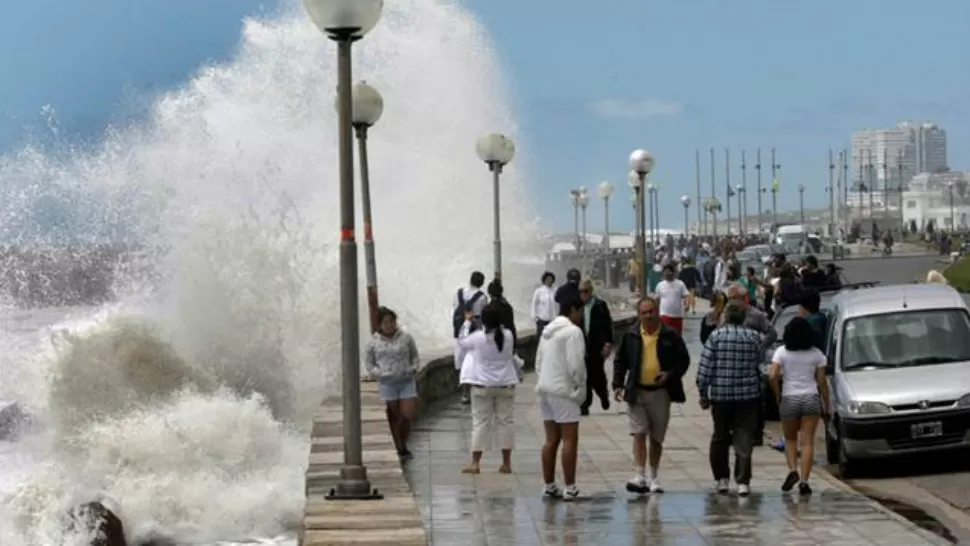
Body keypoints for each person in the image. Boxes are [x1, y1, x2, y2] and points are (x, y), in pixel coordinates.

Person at [612, 296, 691, 494]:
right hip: (636, 391)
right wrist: (617, 384)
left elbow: (684, 360)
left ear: (657, 312)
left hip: (661, 393)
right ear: (639, 314)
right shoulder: (631, 334)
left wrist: (670, 374)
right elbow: (620, 360)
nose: (648, 316)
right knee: (639, 433)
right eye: (644, 312)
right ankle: (640, 475)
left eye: (651, 311)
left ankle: (654, 475)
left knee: (656, 438)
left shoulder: (670, 335)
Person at [696, 302, 763, 497]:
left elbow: (705, 367)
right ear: (743, 318)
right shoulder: (754, 337)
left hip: (721, 396)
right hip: (747, 396)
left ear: (725, 317)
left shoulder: (716, 337)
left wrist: (703, 393)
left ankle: (721, 479)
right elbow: (759, 364)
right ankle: (743, 482)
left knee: (720, 436)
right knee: (744, 438)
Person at [458, 302, 522, 475]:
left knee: (480, 423)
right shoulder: (508, 335)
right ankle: (506, 463)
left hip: (482, 386)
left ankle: (475, 462)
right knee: (505, 423)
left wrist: (467, 322)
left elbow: (462, 342)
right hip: (506, 384)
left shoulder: (478, 337)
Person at [768, 316, 830, 495]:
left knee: (790, 439)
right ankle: (804, 482)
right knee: (808, 441)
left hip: (789, 398)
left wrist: (778, 394)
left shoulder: (781, 352)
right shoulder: (817, 354)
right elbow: (822, 382)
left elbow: (772, 375)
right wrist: (827, 405)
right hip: (811, 398)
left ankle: (792, 471)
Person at [535, 295, 587, 500]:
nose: (581, 316)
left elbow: (538, 361)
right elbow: (576, 364)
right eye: (580, 311)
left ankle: (549, 485)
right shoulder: (573, 332)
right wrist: (579, 387)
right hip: (564, 391)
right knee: (569, 439)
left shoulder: (547, 332)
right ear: (573, 309)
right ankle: (570, 486)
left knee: (551, 439)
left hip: (545, 389)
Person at [365, 307, 420, 460]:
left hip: (406, 381)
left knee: (407, 415)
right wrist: (380, 373)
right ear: (380, 325)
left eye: (392, 322)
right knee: (394, 417)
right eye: (386, 323)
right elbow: (369, 364)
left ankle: (403, 441)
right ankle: (400, 447)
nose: (389, 325)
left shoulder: (406, 338)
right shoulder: (373, 343)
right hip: (387, 384)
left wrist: (413, 368)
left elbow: (414, 356)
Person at [453, 271, 489, 404]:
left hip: (459, 332)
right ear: (481, 283)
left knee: (460, 362)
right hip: (475, 333)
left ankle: (464, 392)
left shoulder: (458, 293)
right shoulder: (482, 297)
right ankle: (472, 390)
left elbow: (455, 308)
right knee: (474, 362)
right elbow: (484, 315)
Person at [578, 280, 613, 415]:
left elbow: (607, 325)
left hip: (596, 345)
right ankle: (585, 404)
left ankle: (603, 395)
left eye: (585, 291)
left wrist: (608, 343)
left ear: (591, 291)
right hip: (582, 345)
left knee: (597, 374)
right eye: (580, 291)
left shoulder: (600, 305)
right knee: (584, 376)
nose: (583, 294)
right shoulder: (577, 306)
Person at [654, 264, 690, 335]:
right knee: (665, 335)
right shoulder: (660, 285)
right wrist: (656, 311)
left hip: (677, 315)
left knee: (677, 336)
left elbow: (686, 296)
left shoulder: (680, 284)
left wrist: (687, 304)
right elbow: (657, 299)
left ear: (673, 273)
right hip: (664, 315)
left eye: (669, 271)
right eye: (665, 272)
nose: (667, 273)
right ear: (663, 273)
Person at [487, 279, 517, 346]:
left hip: (497, 343)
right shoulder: (507, 306)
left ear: (490, 293)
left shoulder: (490, 308)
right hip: (510, 340)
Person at [531, 271, 558, 337]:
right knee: (541, 339)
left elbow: (558, 304)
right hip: (541, 320)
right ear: (544, 280)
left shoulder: (556, 290)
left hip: (553, 320)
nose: (549, 280)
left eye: (551, 279)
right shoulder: (539, 291)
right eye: (547, 279)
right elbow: (534, 304)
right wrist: (535, 318)